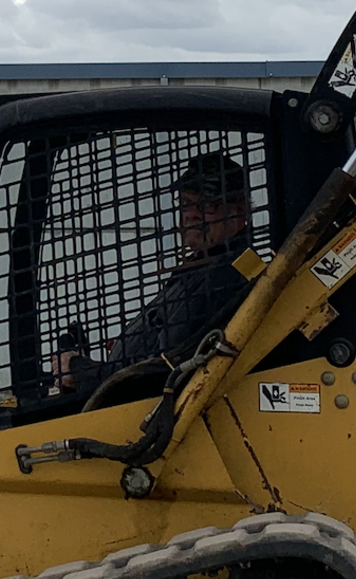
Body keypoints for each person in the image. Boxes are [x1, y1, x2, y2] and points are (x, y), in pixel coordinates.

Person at [57, 151, 257, 396]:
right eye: (185, 203)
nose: (191, 214)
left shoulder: (226, 278)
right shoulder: (203, 268)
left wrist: (81, 371)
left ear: (239, 213)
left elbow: (167, 368)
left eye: (206, 205)